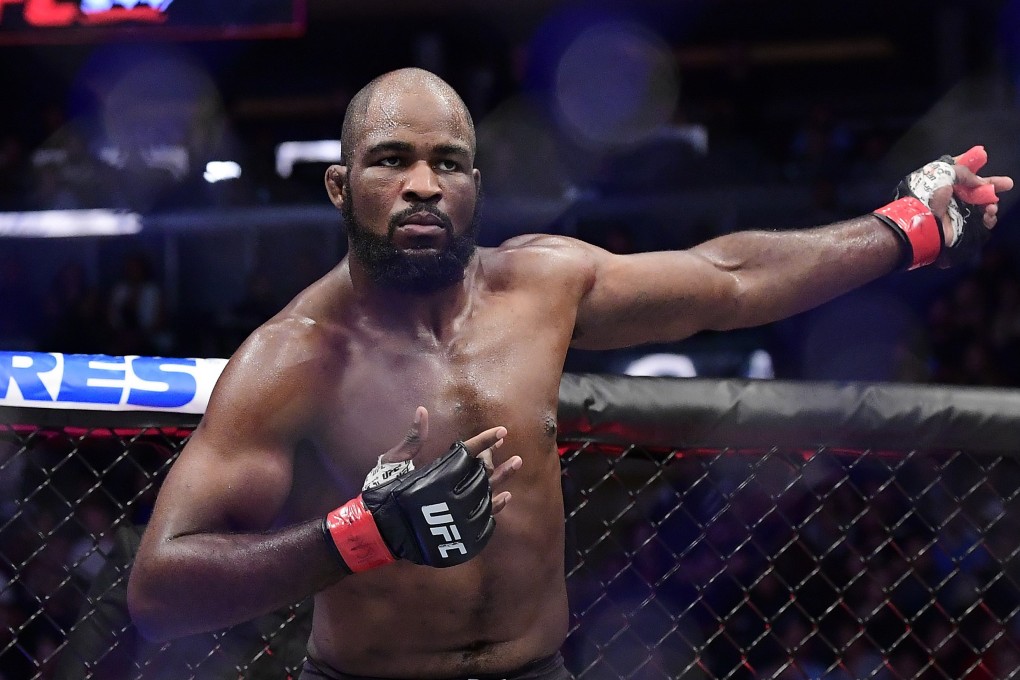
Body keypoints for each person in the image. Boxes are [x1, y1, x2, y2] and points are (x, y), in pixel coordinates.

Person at [126, 67, 1013, 680]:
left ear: (477, 183)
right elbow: (160, 593)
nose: (423, 185)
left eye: (449, 163)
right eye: (392, 160)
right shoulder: (294, 357)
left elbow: (730, 278)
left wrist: (908, 228)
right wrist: (358, 535)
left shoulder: (540, 288)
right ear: (339, 186)